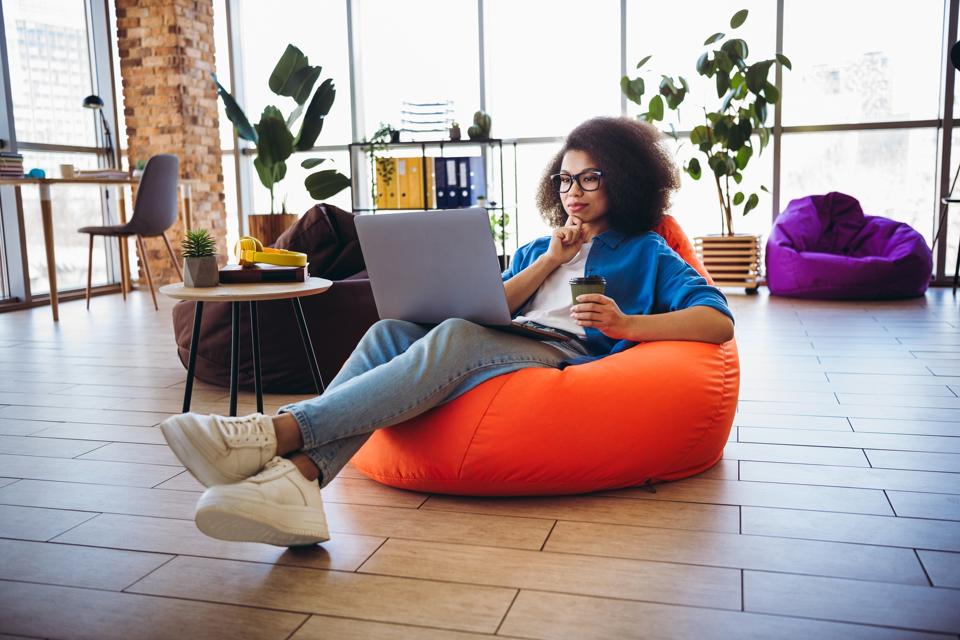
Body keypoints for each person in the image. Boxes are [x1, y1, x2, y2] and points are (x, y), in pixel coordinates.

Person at [160, 116, 735, 547]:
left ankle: (273, 434)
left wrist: (628, 323)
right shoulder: (540, 246)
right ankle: (298, 484)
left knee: (456, 334)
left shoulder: (649, 251)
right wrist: (549, 261)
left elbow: (716, 319)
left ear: (626, 180)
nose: (573, 190)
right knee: (390, 331)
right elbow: (497, 302)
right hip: (506, 334)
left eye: (591, 177)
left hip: (563, 352)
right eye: (565, 179)